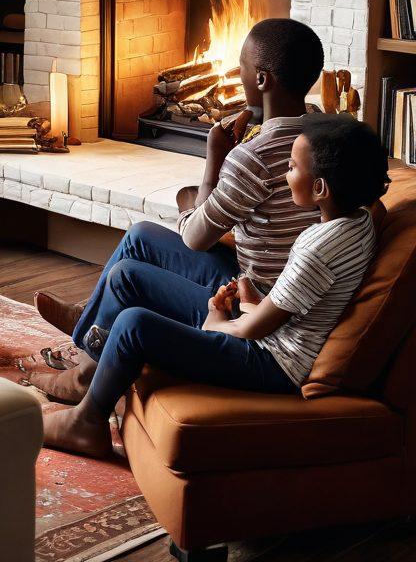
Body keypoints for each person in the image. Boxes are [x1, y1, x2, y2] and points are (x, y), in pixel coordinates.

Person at [41, 115, 387, 459]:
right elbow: (282, 313)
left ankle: (88, 421)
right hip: (270, 334)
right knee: (134, 260)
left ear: (320, 189)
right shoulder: (360, 221)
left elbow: (255, 330)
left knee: (134, 324)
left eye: (293, 168)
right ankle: (94, 368)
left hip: (271, 364)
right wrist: (250, 301)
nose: (286, 174)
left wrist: (217, 323)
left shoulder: (318, 248)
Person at [30, 18, 325, 400]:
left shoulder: (253, 156)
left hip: (254, 303)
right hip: (268, 282)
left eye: (242, 67)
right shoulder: (321, 130)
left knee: (127, 274)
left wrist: (213, 161)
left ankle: (87, 371)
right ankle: (89, 320)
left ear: (263, 80)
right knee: (140, 234)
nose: (237, 74)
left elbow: (195, 238)